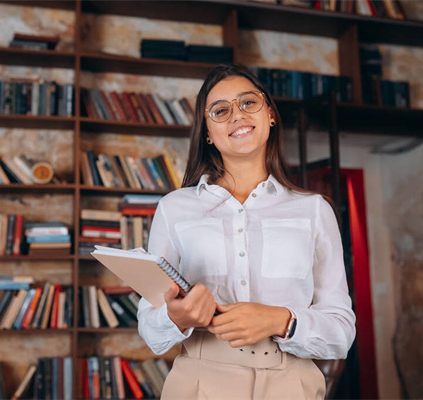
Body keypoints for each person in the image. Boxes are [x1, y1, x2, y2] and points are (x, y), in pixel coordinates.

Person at [137, 64, 356, 399]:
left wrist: (281, 320)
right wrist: (176, 316)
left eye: (248, 102)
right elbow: (150, 329)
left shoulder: (314, 210)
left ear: (269, 113)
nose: (236, 115)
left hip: (291, 384)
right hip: (198, 382)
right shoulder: (174, 208)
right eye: (220, 110)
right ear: (208, 132)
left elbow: (341, 332)